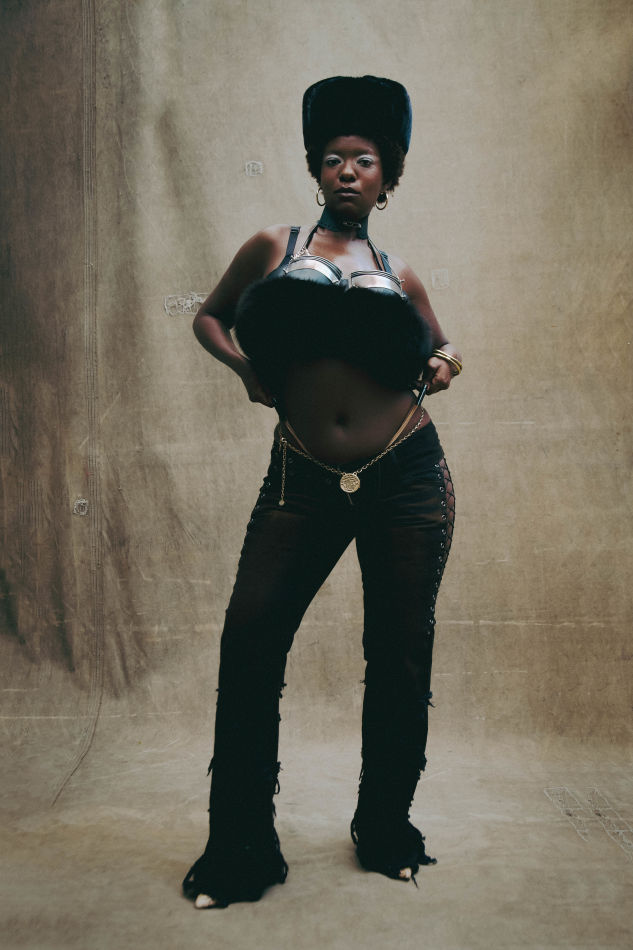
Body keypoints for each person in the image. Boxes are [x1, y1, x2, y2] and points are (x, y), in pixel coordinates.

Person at [183, 75, 461, 909]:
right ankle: (240, 849)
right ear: (316, 169)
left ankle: (385, 830)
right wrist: (245, 371)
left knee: (399, 653)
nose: (347, 170)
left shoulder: (398, 273)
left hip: (405, 477)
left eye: (364, 160)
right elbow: (208, 316)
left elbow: (443, 349)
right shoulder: (274, 246)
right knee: (251, 638)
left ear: (386, 178)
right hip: (301, 476)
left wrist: (444, 363)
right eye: (334, 157)